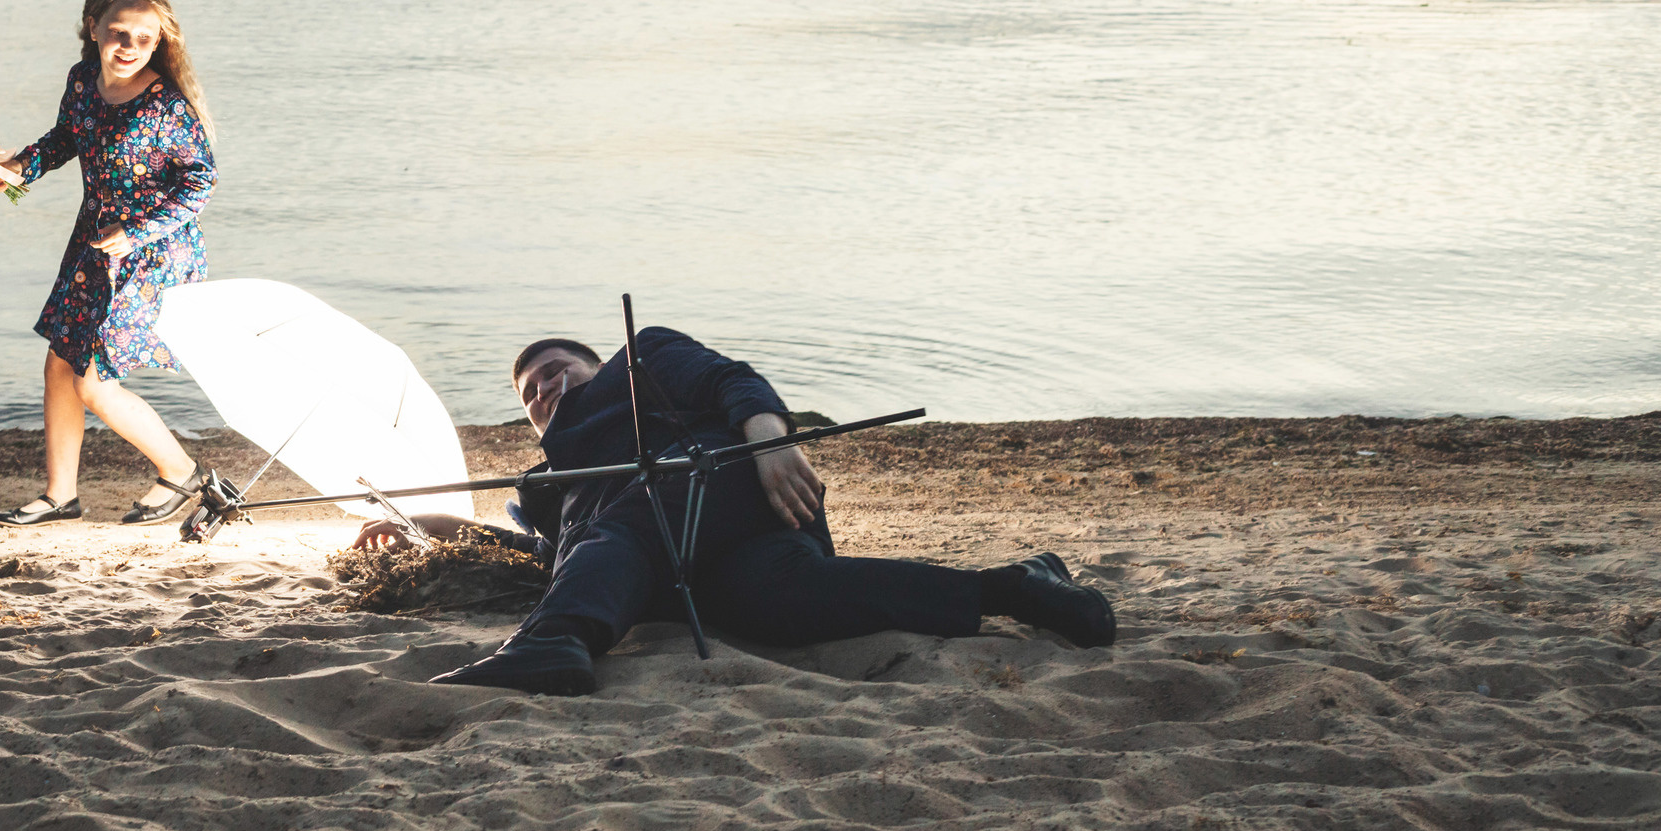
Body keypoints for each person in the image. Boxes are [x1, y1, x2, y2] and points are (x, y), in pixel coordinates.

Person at [357, 326, 1115, 695]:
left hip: (730, 483)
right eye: (532, 395)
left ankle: (554, 643)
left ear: (594, 365)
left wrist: (769, 441)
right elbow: (555, 560)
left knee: (630, 515)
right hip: (684, 564)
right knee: (777, 603)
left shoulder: (639, 359)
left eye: (557, 372)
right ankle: (1014, 587)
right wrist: (417, 524)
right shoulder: (548, 483)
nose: (548, 391)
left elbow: (734, 380)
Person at [0, 0, 218, 526]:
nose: (129, 46)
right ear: (93, 29)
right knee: (60, 362)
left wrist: (139, 231)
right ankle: (60, 496)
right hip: (94, 243)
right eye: (118, 32)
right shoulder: (83, 79)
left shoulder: (168, 105)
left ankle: (181, 471)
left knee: (92, 379)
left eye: (144, 37)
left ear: (159, 43)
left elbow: (201, 183)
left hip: (155, 254)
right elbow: (67, 137)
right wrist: (18, 170)